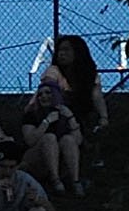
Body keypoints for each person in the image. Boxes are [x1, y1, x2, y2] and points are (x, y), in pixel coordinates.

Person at [19, 35, 103, 193]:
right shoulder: (34, 110)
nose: (61, 54)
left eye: (66, 50)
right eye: (59, 51)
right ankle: (55, 180)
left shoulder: (88, 74)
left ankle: (75, 181)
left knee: (68, 140)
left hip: (76, 117)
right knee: (50, 138)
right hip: (37, 155)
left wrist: (72, 118)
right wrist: (45, 120)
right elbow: (30, 140)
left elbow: (96, 95)